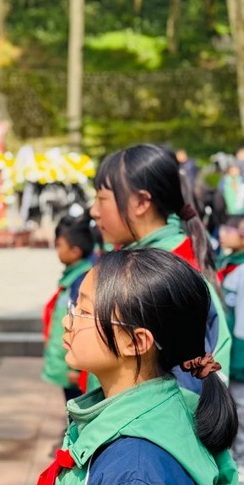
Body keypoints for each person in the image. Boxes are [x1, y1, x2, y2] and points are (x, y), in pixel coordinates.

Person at [36, 248, 239, 485]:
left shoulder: (135, 475)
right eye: (74, 307)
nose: (67, 322)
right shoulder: (173, 408)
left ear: (135, 342)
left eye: (84, 313)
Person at [89, 144, 231, 393]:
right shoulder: (150, 261)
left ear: (141, 202)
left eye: (102, 199)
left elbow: (191, 389)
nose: (94, 211)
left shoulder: (167, 275)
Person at [42, 215, 98, 402]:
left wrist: (76, 368)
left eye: (60, 245)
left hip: (73, 366)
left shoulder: (81, 281)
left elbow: (81, 324)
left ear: (75, 251)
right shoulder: (73, 277)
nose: (57, 250)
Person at [218, 219, 244, 474]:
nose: (223, 234)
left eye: (230, 230)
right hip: (231, 351)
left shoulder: (240, 270)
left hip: (239, 354)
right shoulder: (227, 263)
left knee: (240, 407)